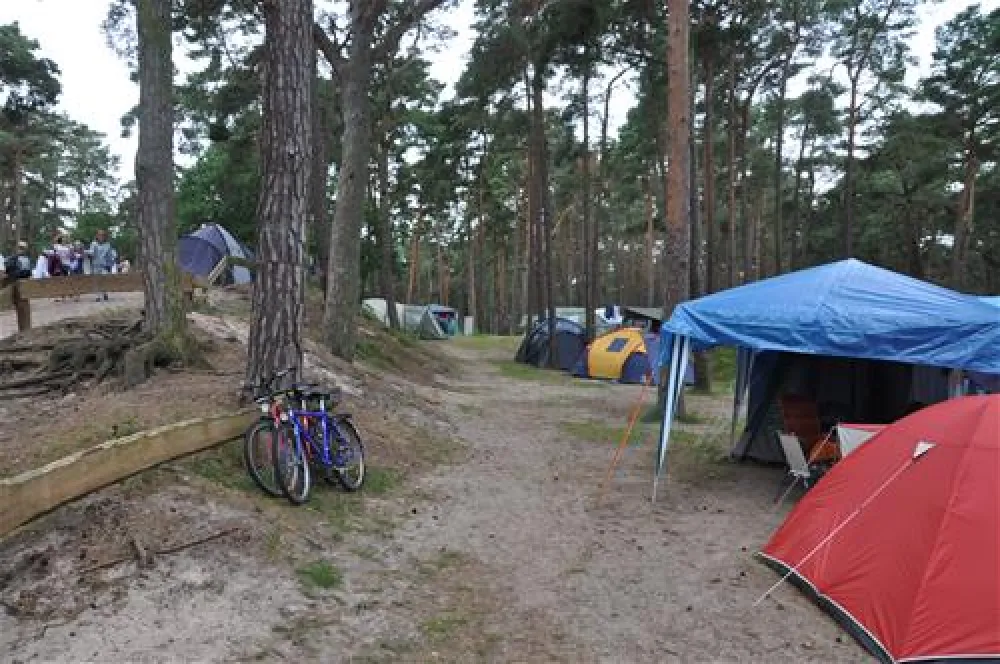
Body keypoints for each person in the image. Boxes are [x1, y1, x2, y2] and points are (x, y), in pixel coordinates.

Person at [86, 229, 117, 301]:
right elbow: (91, 252)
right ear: (97, 236)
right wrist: (85, 252)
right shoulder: (93, 244)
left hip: (104, 265)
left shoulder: (107, 245)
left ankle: (105, 293)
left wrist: (111, 262)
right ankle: (97, 296)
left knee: (104, 278)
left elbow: (110, 255)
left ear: (104, 236)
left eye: (102, 235)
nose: (101, 236)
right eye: (99, 235)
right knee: (96, 280)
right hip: (96, 264)